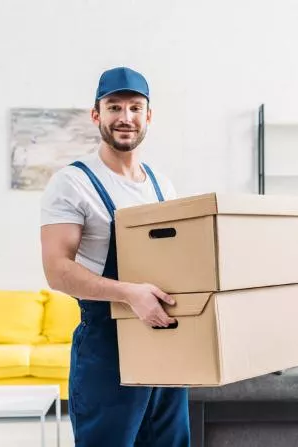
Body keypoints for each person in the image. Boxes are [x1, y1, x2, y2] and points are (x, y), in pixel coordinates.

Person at [40, 67, 190, 447]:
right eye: (114, 107)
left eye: (135, 108)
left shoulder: (161, 184)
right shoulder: (73, 183)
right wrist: (129, 293)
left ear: (148, 116)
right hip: (108, 348)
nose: (126, 117)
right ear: (97, 115)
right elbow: (57, 271)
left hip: (165, 340)